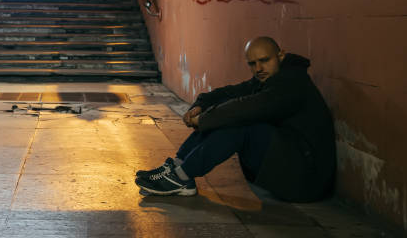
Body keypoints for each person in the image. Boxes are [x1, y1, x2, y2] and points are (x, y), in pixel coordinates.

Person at [135, 37, 336, 202]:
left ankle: (182, 177)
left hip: (305, 179)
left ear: (280, 56)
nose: (258, 68)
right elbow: (231, 93)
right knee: (229, 115)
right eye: (252, 63)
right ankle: (176, 168)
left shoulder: (292, 83)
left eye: (265, 60)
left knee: (239, 122)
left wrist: (204, 120)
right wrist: (201, 105)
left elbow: (249, 108)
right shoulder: (269, 78)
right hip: (285, 164)